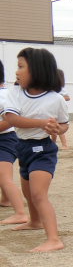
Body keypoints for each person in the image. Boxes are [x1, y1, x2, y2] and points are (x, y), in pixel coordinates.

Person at [1, 48, 69, 252]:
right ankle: (35, 221)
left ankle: (54, 239)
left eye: (21, 67)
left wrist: (58, 128)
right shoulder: (14, 93)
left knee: (39, 194)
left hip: (43, 149)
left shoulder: (56, 99)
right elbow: (10, 119)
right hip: (22, 147)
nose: (16, 72)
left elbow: (64, 124)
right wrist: (40, 123)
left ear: (38, 70)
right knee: (28, 193)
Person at [0, 60, 28, 225]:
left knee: (4, 177)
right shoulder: (7, 93)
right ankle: (5, 199)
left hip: (5, 139)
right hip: (9, 138)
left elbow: (11, 121)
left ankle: (20, 213)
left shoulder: (3, 96)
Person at [50, 69, 70, 149]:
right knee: (53, 128)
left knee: (59, 127)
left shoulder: (61, 89)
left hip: (59, 110)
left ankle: (64, 145)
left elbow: (68, 97)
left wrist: (59, 98)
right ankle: (53, 143)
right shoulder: (49, 89)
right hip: (52, 110)